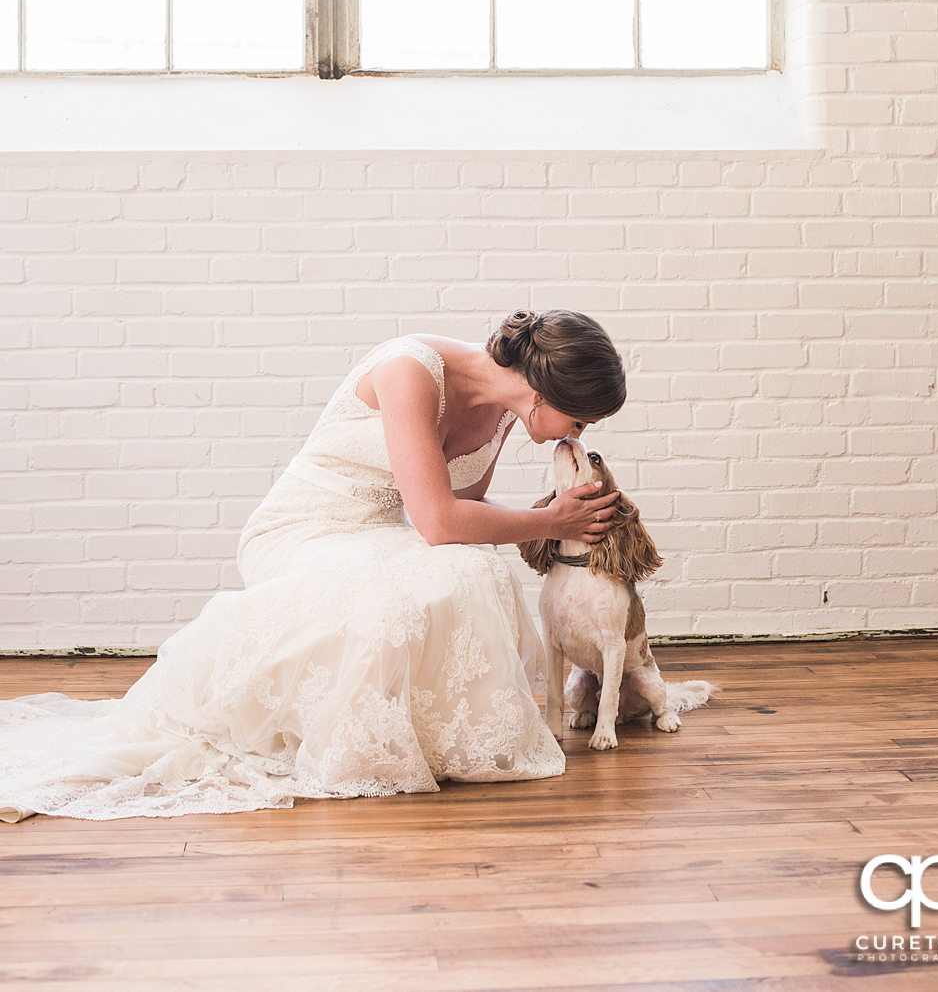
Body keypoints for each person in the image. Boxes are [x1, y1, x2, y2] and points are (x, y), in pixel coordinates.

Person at [0, 308, 627, 821]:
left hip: (376, 535)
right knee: (411, 582)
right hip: (303, 528)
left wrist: (551, 515)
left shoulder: (507, 410)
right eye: (584, 416)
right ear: (543, 394)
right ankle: (350, 745)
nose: (585, 428)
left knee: (472, 573)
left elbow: (461, 507)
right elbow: (438, 524)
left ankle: (428, 742)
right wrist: (549, 522)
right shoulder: (411, 369)